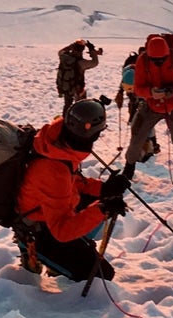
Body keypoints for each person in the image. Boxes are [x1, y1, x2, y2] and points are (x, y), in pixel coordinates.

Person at [16, 98, 126, 281]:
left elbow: (72, 180)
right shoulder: (53, 169)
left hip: (50, 209)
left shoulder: (59, 142)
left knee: (94, 205)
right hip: (40, 229)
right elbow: (62, 230)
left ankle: (68, 254)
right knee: (101, 276)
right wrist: (102, 209)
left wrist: (104, 188)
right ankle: (30, 249)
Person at [122, 32, 173, 189]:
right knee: (137, 137)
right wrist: (151, 93)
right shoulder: (143, 61)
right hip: (152, 105)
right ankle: (128, 169)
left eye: (162, 60)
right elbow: (138, 88)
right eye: (155, 60)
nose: (159, 63)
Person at [55, 37, 102, 113]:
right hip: (77, 89)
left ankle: (65, 120)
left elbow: (60, 51)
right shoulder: (81, 63)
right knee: (80, 107)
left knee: (67, 105)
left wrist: (71, 46)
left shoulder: (63, 58)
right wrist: (91, 49)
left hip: (66, 87)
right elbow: (94, 62)